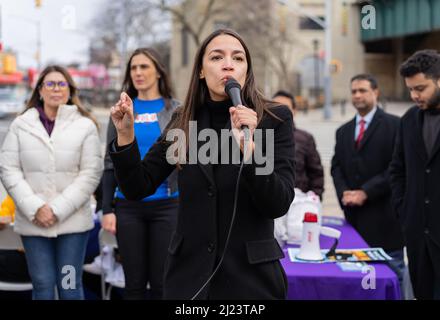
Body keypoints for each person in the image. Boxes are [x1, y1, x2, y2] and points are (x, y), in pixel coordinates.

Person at [108, 29, 295, 300]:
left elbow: (277, 203)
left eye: (238, 58)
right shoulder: (184, 122)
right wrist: (125, 136)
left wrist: (252, 153)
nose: (228, 64)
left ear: (246, 71)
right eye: (217, 57)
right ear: (201, 71)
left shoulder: (272, 119)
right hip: (190, 279)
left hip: (251, 281)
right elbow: (138, 186)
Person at [0, 65, 103, 300]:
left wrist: (56, 210)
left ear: (69, 90)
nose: (56, 88)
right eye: (50, 83)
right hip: (33, 222)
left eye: (61, 84)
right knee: (43, 283)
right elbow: (9, 169)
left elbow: (91, 172)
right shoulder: (21, 125)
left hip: (73, 224)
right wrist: (36, 207)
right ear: (40, 89)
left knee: (69, 285)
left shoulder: (85, 126)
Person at [101, 47, 180, 300]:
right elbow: (110, 163)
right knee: (133, 285)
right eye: (133, 68)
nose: (138, 72)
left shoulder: (176, 110)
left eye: (144, 66)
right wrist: (108, 209)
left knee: (162, 284)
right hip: (128, 206)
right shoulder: (122, 110)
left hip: (167, 205)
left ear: (158, 72)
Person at [330, 74, 405, 289]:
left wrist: (366, 192)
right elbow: (336, 167)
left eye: (362, 90)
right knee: (360, 283)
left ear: (376, 92)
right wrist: (344, 192)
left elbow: (397, 168)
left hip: (386, 221)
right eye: (354, 91)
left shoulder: (396, 125)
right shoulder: (342, 131)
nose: (357, 95)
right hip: (354, 221)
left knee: (394, 280)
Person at [390, 50, 440, 300]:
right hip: (418, 235)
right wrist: (404, 210)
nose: (414, 96)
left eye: (421, 88)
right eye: (410, 89)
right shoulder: (409, 119)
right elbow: (397, 170)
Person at [272, 90, 324, 199]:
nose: (279, 111)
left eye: (284, 107)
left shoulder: (305, 138)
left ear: (294, 110)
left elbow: (316, 172)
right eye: (275, 106)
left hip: (299, 202)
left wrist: (315, 197)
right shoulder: (262, 135)